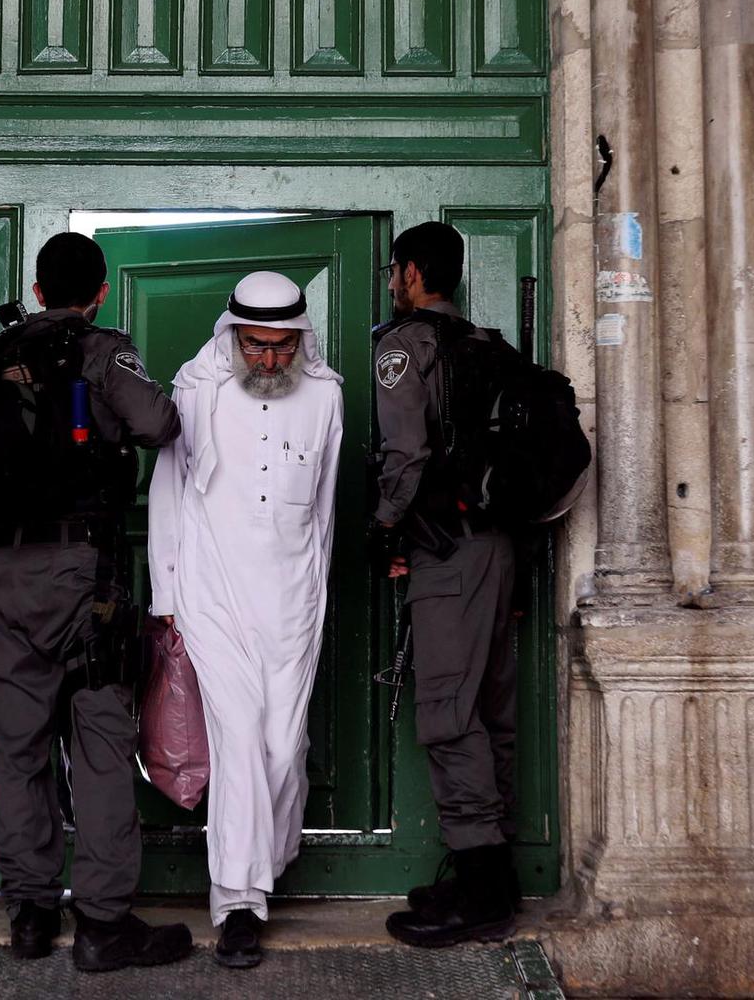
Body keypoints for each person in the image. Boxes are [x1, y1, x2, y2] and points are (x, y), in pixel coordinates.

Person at [0, 232, 192, 973]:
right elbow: (159, 425)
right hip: (85, 576)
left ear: (35, 292)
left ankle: (30, 914)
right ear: (100, 292)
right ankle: (103, 925)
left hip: (4, 575)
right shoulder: (102, 351)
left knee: (19, 749)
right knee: (99, 747)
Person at [146, 271, 345, 968]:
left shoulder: (326, 395)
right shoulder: (196, 388)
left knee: (282, 748)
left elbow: (323, 509)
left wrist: (317, 592)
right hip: (211, 594)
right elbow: (168, 494)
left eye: (281, 346)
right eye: (255, 346)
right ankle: (238, 901)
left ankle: (267, 858)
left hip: (293, 600)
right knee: (236, 742)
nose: (267, 359)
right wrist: (166, 601)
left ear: (300, 340)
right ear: (231, 336)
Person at [371, 222, 526, 947]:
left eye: (393, 270)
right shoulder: (492, 346)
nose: (391, 282)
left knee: (447, 712)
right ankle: (491, 875)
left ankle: (482, 893)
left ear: (410, 272)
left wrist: (383, 530)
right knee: (489, 710)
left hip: (447, 551)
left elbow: (405, 454)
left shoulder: (405, 347)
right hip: (499, 548)